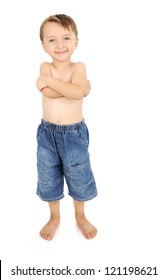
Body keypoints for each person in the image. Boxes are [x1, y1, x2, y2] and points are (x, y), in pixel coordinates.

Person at [36, 14, 97, 241]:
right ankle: (54, 217)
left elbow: (70, 92)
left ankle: (80, 216)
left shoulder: (79, 67)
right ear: (44, 45)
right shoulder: (45, 66)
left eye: (66, 38)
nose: (60, 45)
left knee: (78, 173)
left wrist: (72, 88)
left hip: (74, 135)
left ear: (76, 42)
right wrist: (78, 89)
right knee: (48, 175)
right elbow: (60, 92)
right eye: (52, 40)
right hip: (47, 134)